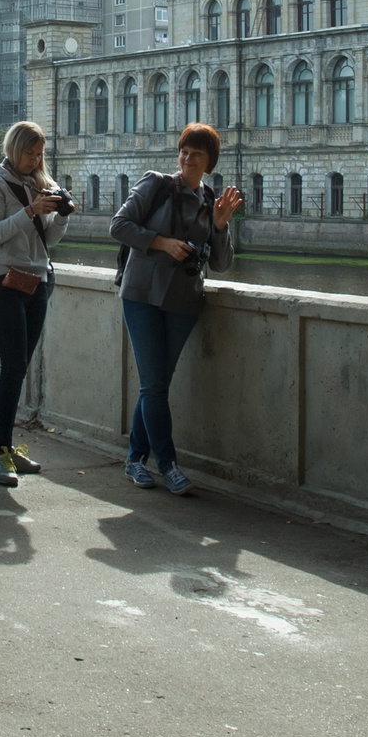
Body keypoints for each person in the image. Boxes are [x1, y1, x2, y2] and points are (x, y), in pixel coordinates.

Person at [109, 123, 242, 495]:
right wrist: (162, 243)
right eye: (184, 151)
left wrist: (219, 226)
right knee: (154, 385)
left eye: (196, 154)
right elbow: (118, 225)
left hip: (183, 301)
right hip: (142, 295)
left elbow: (220, 264)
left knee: (156, 386)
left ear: (209, 162)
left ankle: (136, 459)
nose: (187, 158)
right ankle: (168, 465)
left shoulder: (210, 200)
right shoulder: (155, 183)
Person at [0, 120, 74, 486]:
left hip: (38, 281)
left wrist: (61, 215)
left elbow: (46, 238)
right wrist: (30, 210)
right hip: (5, 281)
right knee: (12, 367)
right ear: (13, 149)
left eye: (39, 154)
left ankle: (7, 447)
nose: (34, 161)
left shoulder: (39, 184)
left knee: (20, 369)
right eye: (29, 154)